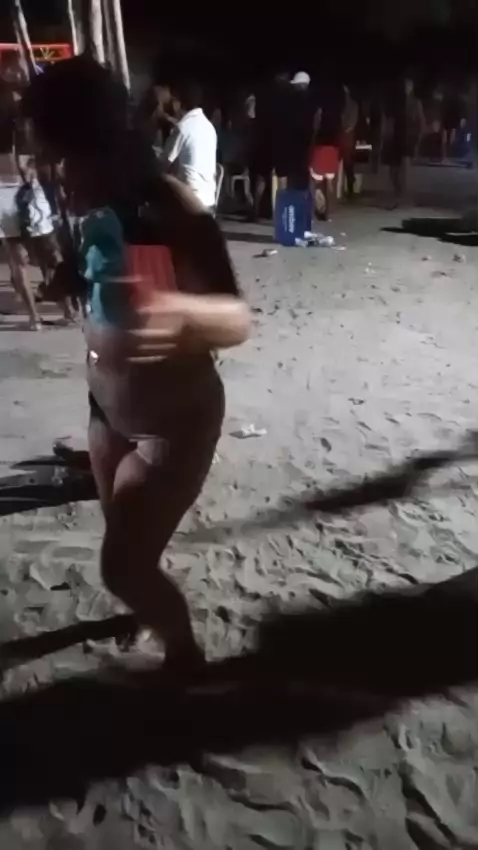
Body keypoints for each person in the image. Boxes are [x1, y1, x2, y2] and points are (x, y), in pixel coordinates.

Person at [23, 56, 251, 673]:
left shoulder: (168, 205)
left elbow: (236, 317)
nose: (54, 173)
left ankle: (185, 656)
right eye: (46, 158)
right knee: (129, 544)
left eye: (63, 157)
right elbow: (103, 271)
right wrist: (73, 277)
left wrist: (186, 314)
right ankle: (146, 603)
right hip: (107, 411)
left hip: (173, 423)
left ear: (104, 143)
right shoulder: (90, 206)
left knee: (121, 565)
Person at [0, 56, 42, 328]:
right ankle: (34, 315)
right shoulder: (17, 107)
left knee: (31, 251)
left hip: (25, 184)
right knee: (20, 253)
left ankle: (40, 312)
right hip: (11, 184)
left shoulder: (27, 107)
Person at [162, 82, 217, 212]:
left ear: (178, 103)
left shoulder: (183, 127)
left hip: (189, 199)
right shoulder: (209, 127)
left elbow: (163, 164)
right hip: (209, 199)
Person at [386, 76, 425, 206]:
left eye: (408, 86)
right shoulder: (397, 101)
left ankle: (403, 192)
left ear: (411, 88)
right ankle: (398, 189)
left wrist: (418, 136)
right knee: (394, 167)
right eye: (405, 86)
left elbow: (420, 120)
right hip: (397, 136)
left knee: (405, 166)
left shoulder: (415, 102)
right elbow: (390, 119)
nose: (406, 88)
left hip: (409, 136)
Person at [310, 84, 343, 221]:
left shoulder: (319, 111)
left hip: (320, 146)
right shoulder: (337, 113)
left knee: (317, 182)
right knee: (330, 183)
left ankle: (318, 209)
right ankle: (328, 211)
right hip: (332, 148)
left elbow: (315, 128)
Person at [340, 84, 359, 199]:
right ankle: (349, 184)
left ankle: (350, 184)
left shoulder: (348, 105)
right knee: (348, 161)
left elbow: (351, 122)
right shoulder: (352, 104)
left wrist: (345, 129)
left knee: (347, 161)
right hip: (346, 135)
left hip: (345, 135)